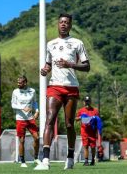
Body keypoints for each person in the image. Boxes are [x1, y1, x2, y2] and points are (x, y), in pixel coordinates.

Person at [35, 13, 90, 171]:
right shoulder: (50, 44)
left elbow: (87, 66)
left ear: (71, 25)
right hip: (54, 87)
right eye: (61, 22)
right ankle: (45, 160)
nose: (64, 24)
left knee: (69, 124)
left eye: (67, 22)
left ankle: (70, 157)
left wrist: (70, 64)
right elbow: (48, 64)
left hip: (71, 87)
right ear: (58, 25)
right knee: (49, 119)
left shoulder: (77, 43)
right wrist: (46, 70)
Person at [11, 75, 40, 167]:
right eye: (18, 82)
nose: (18, 84)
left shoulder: (32, 91)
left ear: (25, 83)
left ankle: (35, 158)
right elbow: (13, 105)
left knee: (37, 138)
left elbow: (35, 102)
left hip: (30, 118)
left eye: (20, 82)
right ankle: (22, 161)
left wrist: (37, 111)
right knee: (22, 140)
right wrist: (23, 108)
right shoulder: (15, 92)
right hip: (20, 119)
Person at [76, 96, 100, 166]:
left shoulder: (95, 111)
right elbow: (76, 118)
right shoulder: (81, 110)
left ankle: (92, 160)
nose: (87, 103)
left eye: (88, 101)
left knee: (93, 147)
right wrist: (81, 117)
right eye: (86, 101)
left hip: (92, 131)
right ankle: (86, 161)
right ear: (84, 102)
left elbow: (98, 120)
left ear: (90, 102)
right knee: (85, 146)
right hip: (84, 131)